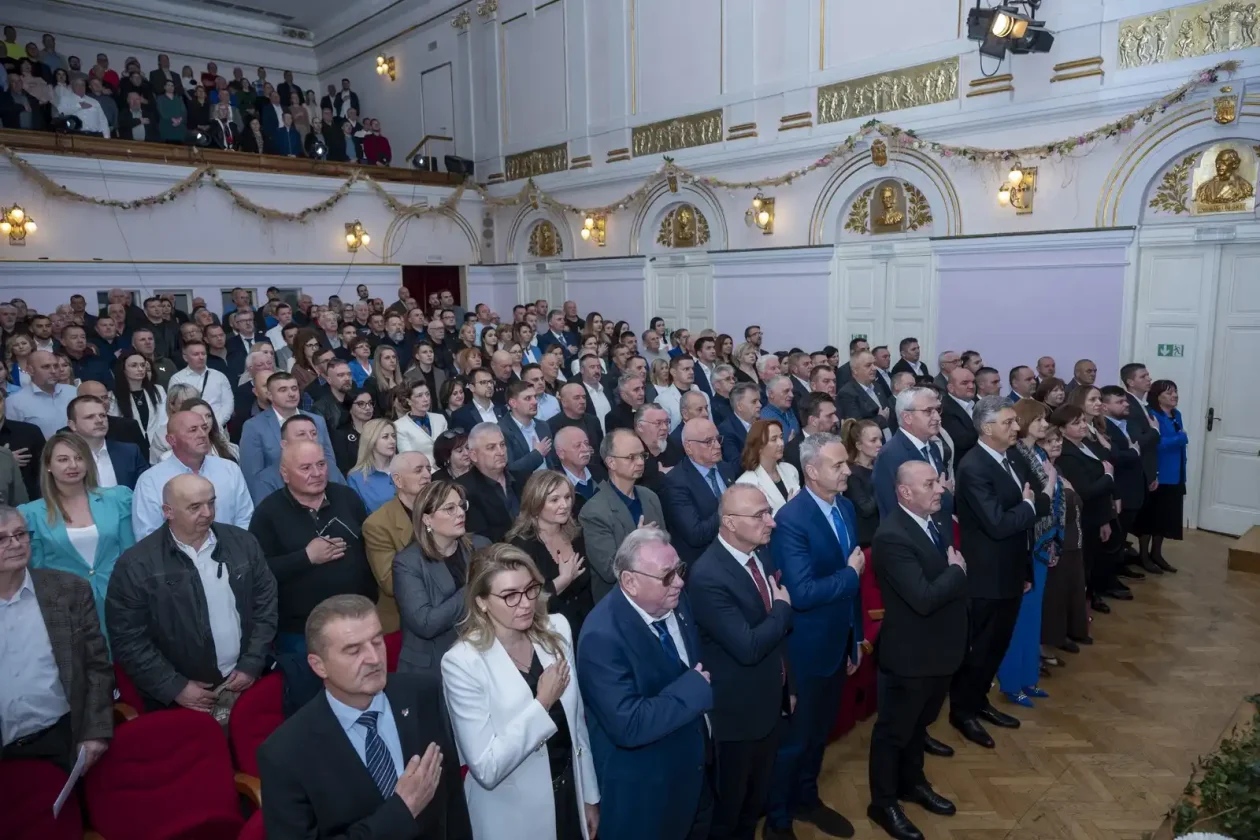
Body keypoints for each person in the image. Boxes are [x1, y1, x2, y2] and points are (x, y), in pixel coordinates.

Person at [258, 594, 473, 840]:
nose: (373, 658)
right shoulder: (283, 754)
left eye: (377, 641)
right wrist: (401, 812)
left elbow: (452, 800)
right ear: (319, 666)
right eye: (353, 650)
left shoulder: (421, 694)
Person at [441, 544, 600, 840]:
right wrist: (542, 703)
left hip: (569, 794)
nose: (526, 603)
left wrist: (589, 795)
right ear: (482, 602)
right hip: (513, 817)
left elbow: (577, 725)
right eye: (510, 596)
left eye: (530, 589)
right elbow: (486, 768)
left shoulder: (557, 630)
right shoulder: (462, 663)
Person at [576, 527, 713, 840]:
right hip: (647, 795)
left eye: (679, 570)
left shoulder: (676, 601)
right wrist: (693, 689)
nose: (679, 581)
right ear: (630, 581)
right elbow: (628, 723)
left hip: (694, 774)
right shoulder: (601, 636)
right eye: (667, 576)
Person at [764, 433, 864, 840]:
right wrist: (849, 575)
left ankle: (807, 798)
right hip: (804, 650)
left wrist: (855, 638)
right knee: (795, 740)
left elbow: (851, 586)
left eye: (845, 464)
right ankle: (778, 819)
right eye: (838, 465)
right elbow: (801, 594)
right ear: (811, 470)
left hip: (837, 642)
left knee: (819, 733)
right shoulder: (791, 520)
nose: (847, 471)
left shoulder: (847, 508)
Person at [106, 474, 277, 712]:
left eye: (211, 502)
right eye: (195, 507)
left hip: (244, 682)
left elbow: (266, 606)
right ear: (168, 511)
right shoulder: (136, 565)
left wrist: (252, 663)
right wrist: (174, 687)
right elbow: (129, 639)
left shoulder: (243, 543)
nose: (207, 513)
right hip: (181, 700)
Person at [867, 462, 967, 840]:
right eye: (930, 483)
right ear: (905, 492)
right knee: (894, 733)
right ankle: (883, 802)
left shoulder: (934, 520)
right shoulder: (891, 537)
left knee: (918, 726)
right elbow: (923, 598)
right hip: (910, 656)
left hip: (940, 650)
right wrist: (957, 572)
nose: (940, 488)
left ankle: (913, 783)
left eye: (939, 481)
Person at [689, 484, 794, 840]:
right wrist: (783, 609)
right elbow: (748, 647)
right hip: (736, 718)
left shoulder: (759, 554)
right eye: (760, 515)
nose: (771, 522)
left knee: (753, 805)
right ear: (730, 523)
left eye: (769, 512)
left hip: (767, 704)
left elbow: (772, 638)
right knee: (729, 813)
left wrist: (786, 686)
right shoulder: (708, 577)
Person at [948, 396, 1049, 750]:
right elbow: (998, 523)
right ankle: (962, 712)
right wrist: (1027, 505)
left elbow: (1035, 504)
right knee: (980, 648)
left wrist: (1027, 507)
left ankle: (979, 702)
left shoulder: (1012, 457)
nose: (1016, 427)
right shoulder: (974, 466)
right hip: (986, 575)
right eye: (1008, 422)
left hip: (1010, 568)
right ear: (987, 428)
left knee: (998, 645)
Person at [0, 503, 113, 774]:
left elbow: (97, 666)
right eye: (1, 538)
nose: (15, 544)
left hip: (65, 739)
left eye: (20, 534)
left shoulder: (69, 590)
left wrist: (96, 731)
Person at [248, 440, 376, 655]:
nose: (316, 473)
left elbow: (367, 551)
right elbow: (260, 572)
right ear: (285, 474)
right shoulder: (268, 513)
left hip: (357, 620)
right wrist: (306, 557)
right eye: (306, 468)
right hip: (302, 634)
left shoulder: (347, 498)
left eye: (321, 464)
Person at [21, 431, 134, 640]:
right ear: (48, 465)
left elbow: (131, 553)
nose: (73, 465)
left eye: (79, 458)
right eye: (63, 459)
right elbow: (38, 569)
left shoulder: (118, 499)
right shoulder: (31, 514)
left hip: (121, 601)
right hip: (67, 609)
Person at [995, 399, 1059, 709]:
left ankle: (1028, 678)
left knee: (1033, 617)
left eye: (1045, 420)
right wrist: (1050, 487)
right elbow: (1030, 500)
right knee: (1019, 618)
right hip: (1027, 545)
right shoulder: (1017, 455)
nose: (1045, 425)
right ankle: (1011, 682)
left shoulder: (1037, 453)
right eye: (1039, 420)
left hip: (1043, 543)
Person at [393, 481, 490, 677]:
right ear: (427, 520)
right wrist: (473, 587)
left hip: (483, 652)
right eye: (449, 509)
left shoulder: (481, 546)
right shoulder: (407, 563)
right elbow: (426, 623)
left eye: (462, 505)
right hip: (434, 666)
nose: (460, 513)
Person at [131, 410, 254, 538]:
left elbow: (245, 519)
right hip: (175, 556)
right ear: (171, 440)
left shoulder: (230, 469)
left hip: (229, 553)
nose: (202, 434)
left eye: (204, 428)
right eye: (193, 430)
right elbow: (147, 536)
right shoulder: (150, 481)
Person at [507, 470, 594, 638]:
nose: (565, 505)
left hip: (587, 627)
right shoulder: (521, 546)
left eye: (567, 497)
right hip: (548, 633)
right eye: (554, 500)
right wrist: (562, 581)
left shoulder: (575, 534)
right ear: (536, 504)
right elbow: (524, 602)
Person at [363, 451, 431, 634]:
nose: (427, 475)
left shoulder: (443, 509)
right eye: (418, 470)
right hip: (404, 622)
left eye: (428, 468)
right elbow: (390, 582)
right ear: (398, 481)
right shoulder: (378, 524)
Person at [1036, 426, 1091, 653]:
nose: (1057, 444)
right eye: (1050, 442)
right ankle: (1044, 646)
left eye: (1058, 440)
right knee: (1054, 596)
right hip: (1055, 541)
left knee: (1071, 589)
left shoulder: (1057, 467)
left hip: (1073, 538)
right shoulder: (1040, 472)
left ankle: (1065, 634)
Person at [661, 418, 738, 564]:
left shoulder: (726, 468)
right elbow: (695, 534)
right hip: (704, 562)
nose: (717, 445)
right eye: (709, 441)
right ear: (689, 447)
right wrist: (730, 510)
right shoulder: (675, 482)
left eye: (718, 439)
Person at [873, 387, 951, 519]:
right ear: (907, 417)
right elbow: (892, 508)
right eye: (928, 411)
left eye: (937, 410)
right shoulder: (890, 455)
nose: (937, 417)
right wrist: (947, 493)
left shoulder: (933, 447)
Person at [66, 395, 147, 490]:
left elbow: (146, 490)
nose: (100, 421)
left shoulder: (130, 452)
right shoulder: (64, 458)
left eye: (103, 415)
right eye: (90, 417)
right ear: (73, 425)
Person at [457, 423, 518, 542]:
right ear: (473, 456)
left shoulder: (522, 477)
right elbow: (480, 538)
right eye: (491, 447)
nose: (501, 452)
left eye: (502, 445)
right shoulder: (463, 490)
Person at [735, 418, 800, 516]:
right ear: (759, 447)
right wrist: (788, 509)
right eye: (774, 439)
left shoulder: (790, 470)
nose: (781, 443)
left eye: (781, 437)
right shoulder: (746, 483)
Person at [6, 350, 75, 439]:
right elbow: (13, 436)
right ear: (30, 370)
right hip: (40, 452)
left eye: (56, 366)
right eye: (46, 367)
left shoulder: (73, 392)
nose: (53, 371)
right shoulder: (14, 402)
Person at [167, 340, 234, 428]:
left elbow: (228, 404)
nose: (201, 357)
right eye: (196, 354)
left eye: (203, 353)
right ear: (185, 357)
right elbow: (176, 406)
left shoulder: (219, 376)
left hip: (219, 428)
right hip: (190, 428)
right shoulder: (177, 379)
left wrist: (215, 424)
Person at [111, 350, 167, 446]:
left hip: (158, 443)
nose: (140, 369)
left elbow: (164, 419)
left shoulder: (158, 390)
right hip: (130, 444)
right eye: (134, 365)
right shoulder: (113, 395)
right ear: (123, 369)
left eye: (142, 365)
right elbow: (116, 425)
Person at [841, 418, 883, 548]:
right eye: (873, 440)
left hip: (882, 535)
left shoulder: (879, 467)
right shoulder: (851, 474)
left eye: (880, 439)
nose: (880, 444)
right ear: (858, 445)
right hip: (867, 542)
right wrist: (884, 485)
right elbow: (865, 508)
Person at [0, 388, 46, 501]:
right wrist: (6, 461)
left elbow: (45, 472)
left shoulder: (29, 432)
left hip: (29, 506)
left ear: (4, 402)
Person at [348, 418, 398, 514]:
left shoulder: (405, 467)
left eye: (394, 436)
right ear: (371, 441)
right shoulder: (356, 478)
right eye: (385, 437)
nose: (392, 441)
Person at [394, 381, 448, 462]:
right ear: (409, 401)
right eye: (419, 396)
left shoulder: (440, 419)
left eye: (427, 394)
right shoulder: (399, 426)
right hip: (421, 471)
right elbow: (409, 458)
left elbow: (448, 447)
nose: (426, 399)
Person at [145, 383, 197, 464]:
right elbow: (156, 467)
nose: (190, 407)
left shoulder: (210, 426)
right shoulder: (161, 435)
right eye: (184, 403)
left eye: (194, 402)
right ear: (172, 405)